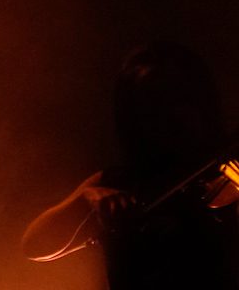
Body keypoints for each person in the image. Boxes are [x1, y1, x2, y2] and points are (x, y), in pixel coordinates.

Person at [22, 42, 239, 289]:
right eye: (152, 108)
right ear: (133, 117)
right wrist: (85, 200)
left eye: (180, 99)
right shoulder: (118, 183)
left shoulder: (230, 174)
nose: (169, 118)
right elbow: (35, 246)